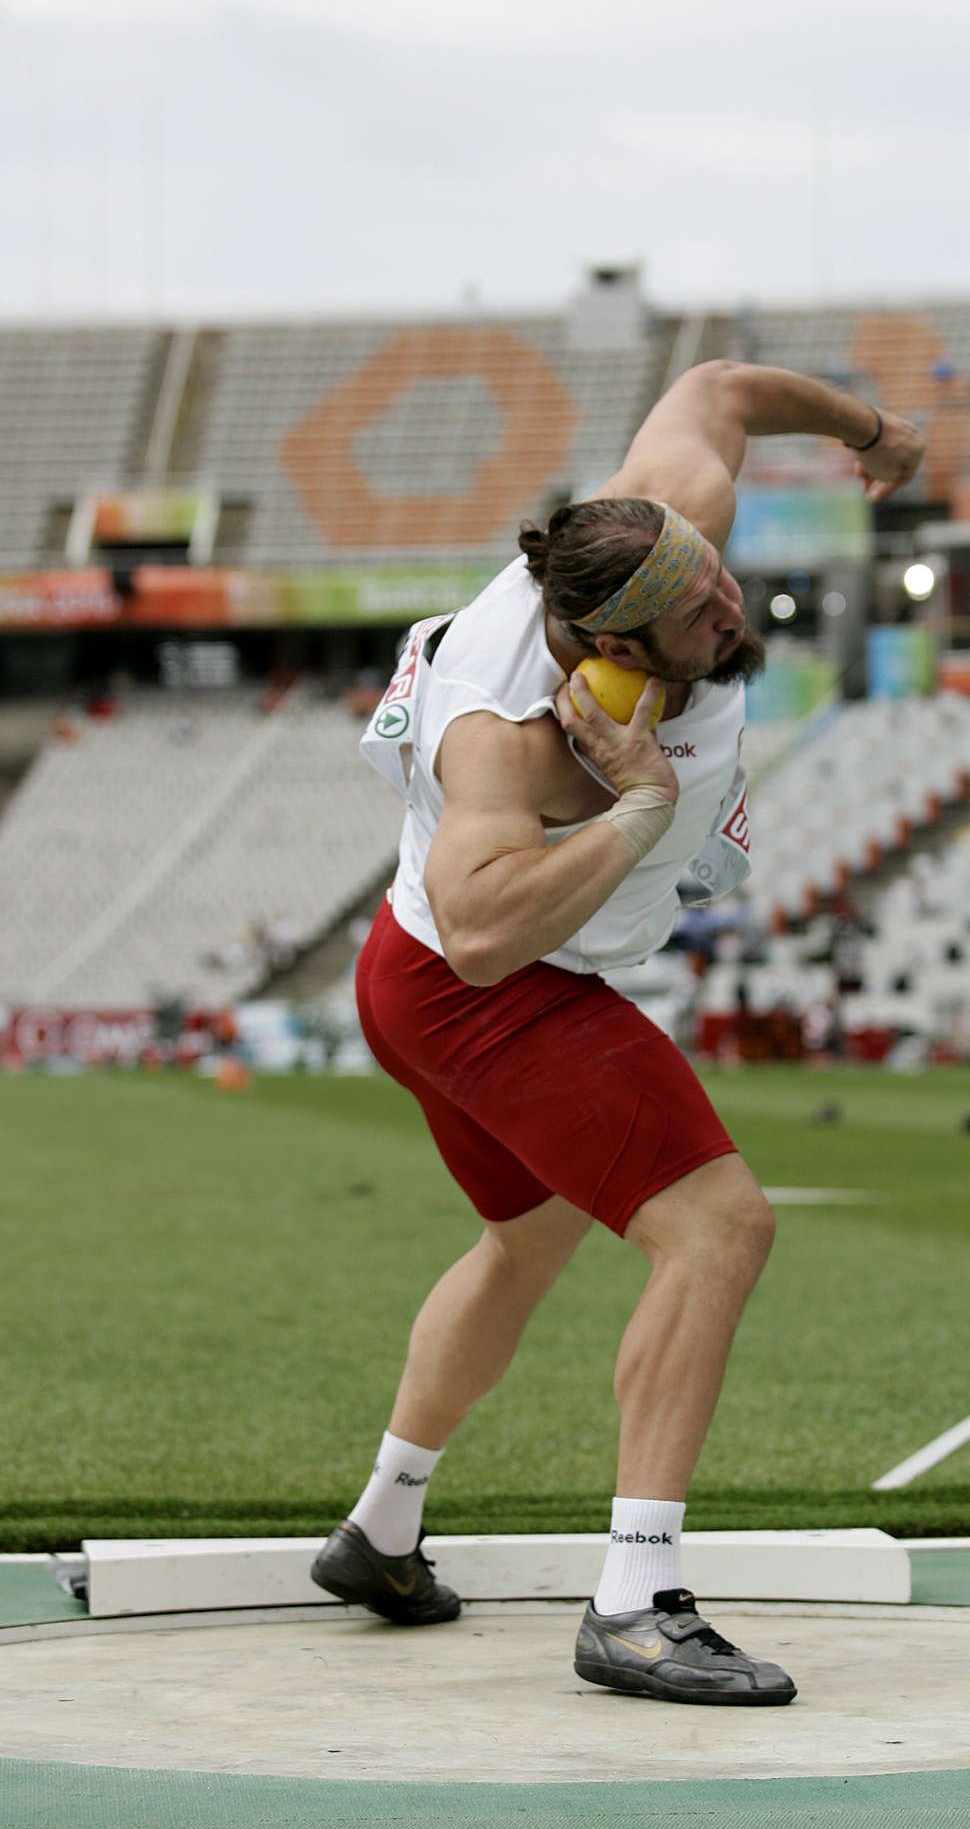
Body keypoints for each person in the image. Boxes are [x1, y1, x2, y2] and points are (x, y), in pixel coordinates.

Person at [311, 360, 923, 1706]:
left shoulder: (659, 534)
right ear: (616, 656)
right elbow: (482, 935)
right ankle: (636, 1605)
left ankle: (382, 1530)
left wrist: (873, 432)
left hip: (414, 973)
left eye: (718, 581)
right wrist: (639, 806)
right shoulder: (509, 739)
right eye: (697, 617)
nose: (730, 607)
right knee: (719, 1228)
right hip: (478, 985)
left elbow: (717, 389)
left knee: (523, 1243)